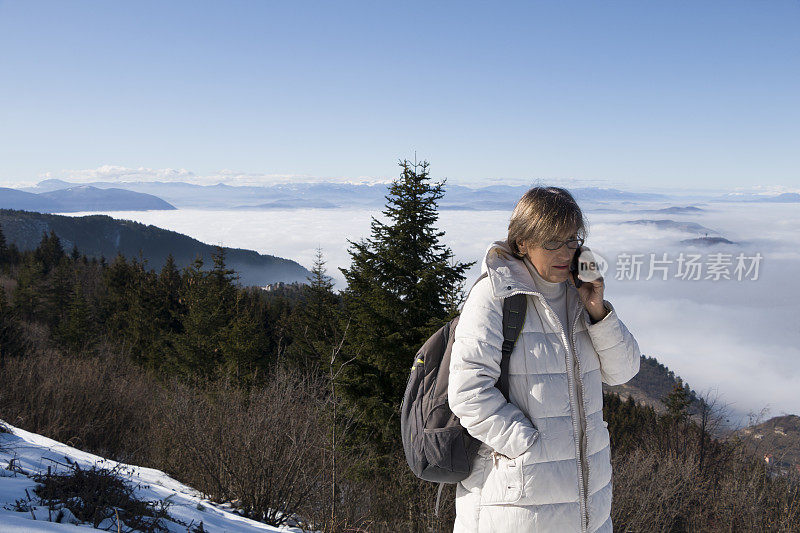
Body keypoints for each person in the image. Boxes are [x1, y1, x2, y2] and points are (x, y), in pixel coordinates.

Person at [448, 186, 641, 532]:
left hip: (588, 507)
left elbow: (623, 370)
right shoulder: (495, 296)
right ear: (522, 242)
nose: (565, 252)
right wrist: (529, 447)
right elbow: (467, 392)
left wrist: (597, 309)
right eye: (551, 242)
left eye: (571, 240)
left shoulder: (577, 294)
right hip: (515, 506)